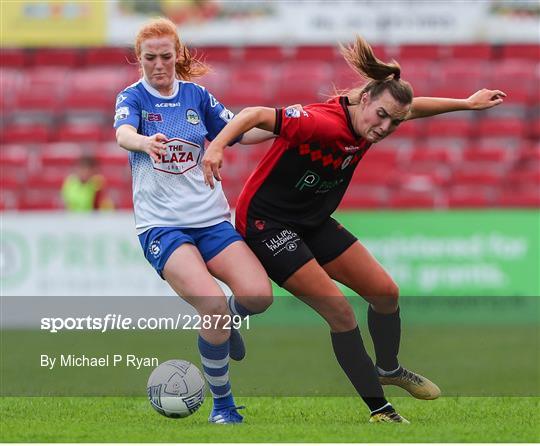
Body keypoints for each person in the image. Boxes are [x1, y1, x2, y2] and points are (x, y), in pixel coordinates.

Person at [202, 35, 506, 423]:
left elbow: (415, 108)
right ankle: (380, 410)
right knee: (340, 312)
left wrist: (466, 103)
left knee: (385, 293)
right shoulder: (321, 124)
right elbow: (254, 115)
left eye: (395, 121)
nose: (386, 126)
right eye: (381, 116)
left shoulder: (376, 118)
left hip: (311, 219)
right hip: (266, 223)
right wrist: (218, 147)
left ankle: (389, 368)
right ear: (365, 101)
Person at [113, 17, 275, 424]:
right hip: (162, 227)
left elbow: (240, 132)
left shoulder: (197, 96)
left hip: (211, 220)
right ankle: (223, 408)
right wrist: (144, 142)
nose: (159, 65)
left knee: (259, 297)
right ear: (139, 59)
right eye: (150, 58)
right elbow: (122, 134)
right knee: (212, 304)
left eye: (166, 56)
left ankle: (226, 322)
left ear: (178, 54)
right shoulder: (133, 98)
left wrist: (285, 127)